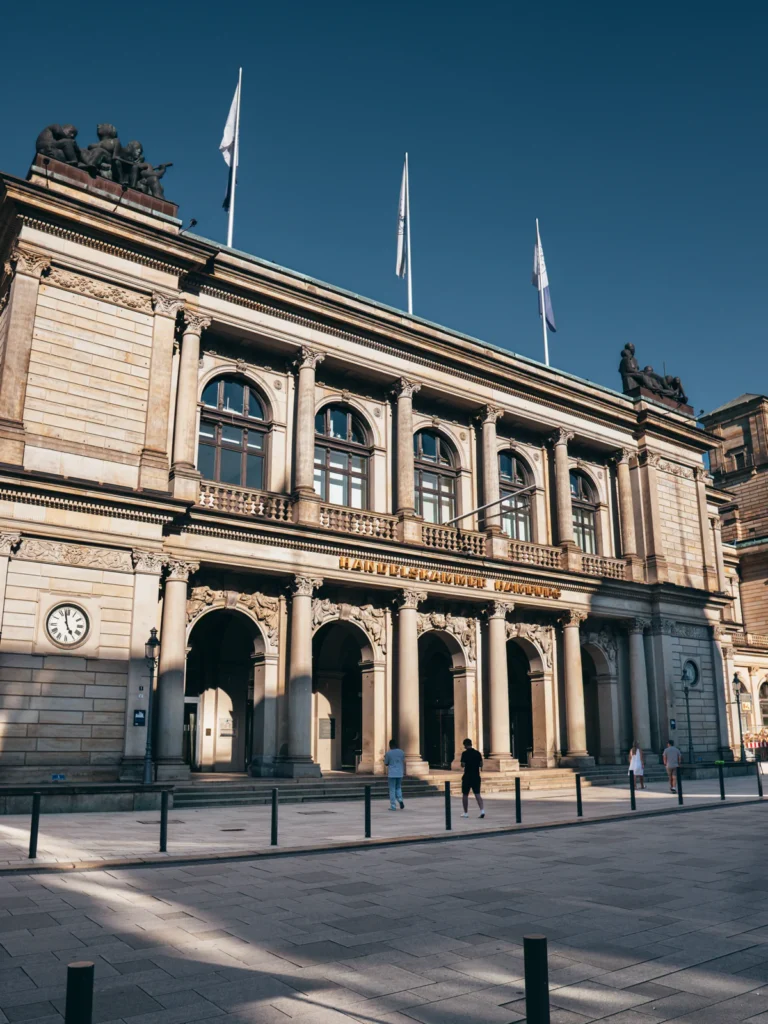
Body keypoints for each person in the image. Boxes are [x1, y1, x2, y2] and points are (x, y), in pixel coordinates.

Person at [460, 738, 485, 818]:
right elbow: (481, 764)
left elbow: (463, 765)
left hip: (467, 776)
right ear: (471, 744)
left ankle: (466, 812)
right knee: (477, 794)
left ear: (465, 745)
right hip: (476, 776)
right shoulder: (478, 753)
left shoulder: (464, 753)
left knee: (465, 794)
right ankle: (482, 810)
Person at [384, 739, 405, 810]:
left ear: (390, 745)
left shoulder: (388, 753)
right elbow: (402, 760)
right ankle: (400, 800)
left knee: (392, 789)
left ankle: (393, 806)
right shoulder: (401, 752)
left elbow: (386, 763)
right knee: (398, 787)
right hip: (400, 772)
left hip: (392, 773)